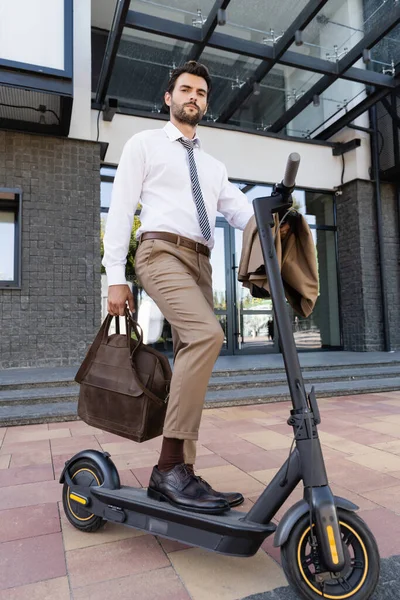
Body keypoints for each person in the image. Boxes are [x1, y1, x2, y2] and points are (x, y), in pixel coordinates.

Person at [103, 61, 254, 514]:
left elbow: (242, 214)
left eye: (202, 93)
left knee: (194, 350)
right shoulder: (144, 144)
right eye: (186, 89)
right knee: (209, 335)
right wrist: (115, 275)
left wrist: (273, 222)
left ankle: (181, 474)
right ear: (168, 98)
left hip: (202, 263)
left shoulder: (213, 166)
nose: (194, 97)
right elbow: (121, 207)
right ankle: (169, 467)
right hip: (160, 252)